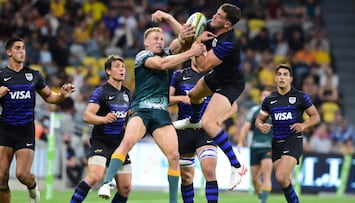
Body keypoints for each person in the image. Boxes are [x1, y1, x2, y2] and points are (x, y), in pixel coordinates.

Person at [97, 27, 205, 203]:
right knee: (128, 142)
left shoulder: (166, 54)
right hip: (142, 110)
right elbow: (163, 64)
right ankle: (106, 183)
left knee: (174, 156)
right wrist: (191, 52)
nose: (159, 41)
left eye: (162, 39)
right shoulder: (142, 56)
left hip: (161, 114)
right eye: (155, 38)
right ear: (146, 42)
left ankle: (172, 201)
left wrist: (187, 34)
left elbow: (181, 41)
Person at [170, 3, 248, 190]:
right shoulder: (210, 24)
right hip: (217, 77)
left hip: (230, 84)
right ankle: (193, 119)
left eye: (219, 16)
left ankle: (237, 166)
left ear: (227, 25)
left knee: (208, 123)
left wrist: (197, 43)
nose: (214, 16)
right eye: (216, 12)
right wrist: (169, 18)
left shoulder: (229, 42)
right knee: (194, 95)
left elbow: (203, 66)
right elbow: (186, 31)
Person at [0, 37, 75, 203]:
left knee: (21, 174)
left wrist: (62, 95)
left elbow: (49, 96)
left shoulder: (33, 75)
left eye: (23, 48)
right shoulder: (1, 75)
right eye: (18, 48)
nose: (22, 51)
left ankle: (32, 186)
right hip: (4, 130)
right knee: (1, 178)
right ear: (9, 52)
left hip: (25, 131)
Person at [69, 55, 132, 203]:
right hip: (101, 142)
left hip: (119, 145)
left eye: (123, 67)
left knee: (126, 187)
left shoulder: (127, 93)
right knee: (94, 177)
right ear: (108, 71)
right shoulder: (101, 92)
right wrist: (103, 119)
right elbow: (86, 115)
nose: (121, 69)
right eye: (117, 66)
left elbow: (128, 118)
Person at [255, 64, 320, 203]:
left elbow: (315, 116)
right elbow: (259, 120)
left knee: (280, 176)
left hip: (293, 139)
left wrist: (303, 125)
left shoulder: (301, 97)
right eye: (279, 74)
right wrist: (261, 125)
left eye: (285, 75)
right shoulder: (269, 100)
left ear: (291, 78)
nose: (282, 77)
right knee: (284, 181)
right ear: (275, 78)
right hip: (276, 143)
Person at [169, 59, 220, 203]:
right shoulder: (179, 75)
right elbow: (165, 99)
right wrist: (181, 98)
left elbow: (231, 105)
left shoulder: (213, 76)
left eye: (205, 52)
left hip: (205, 130)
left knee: (209, 170)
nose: (202, 55)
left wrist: (219, 118)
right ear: (193, 55)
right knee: (186, 178)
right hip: (184, 130)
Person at [237, 87, 273, 203]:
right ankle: (260, 196)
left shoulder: (277, 113)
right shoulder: (254, 111)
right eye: (263, 95)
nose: (265, 98)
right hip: (255, 147)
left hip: (269, 147)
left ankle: (263, 201)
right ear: (260, 97)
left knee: (266, 174)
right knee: (254, 177)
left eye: (268, 96)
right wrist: (240, 142)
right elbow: (245, 128)